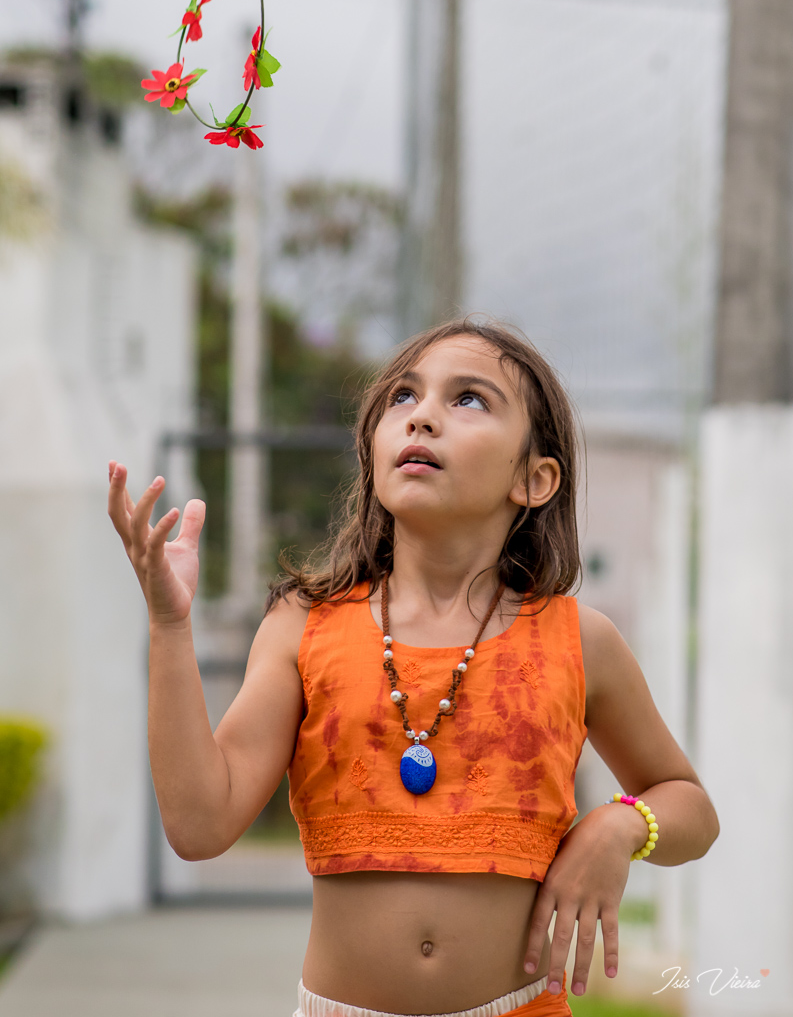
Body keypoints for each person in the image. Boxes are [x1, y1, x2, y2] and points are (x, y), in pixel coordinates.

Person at [107, 316, 720, 1017]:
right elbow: (199, 825)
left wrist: (618, 826)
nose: (422, 416)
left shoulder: (580, 640)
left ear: (534, 478)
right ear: (373, 451)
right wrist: (168, 624)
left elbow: (690, 806)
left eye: (468, 399)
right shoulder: (302, 627)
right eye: (402, 397)